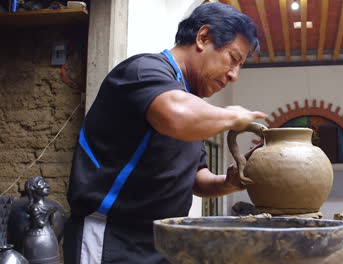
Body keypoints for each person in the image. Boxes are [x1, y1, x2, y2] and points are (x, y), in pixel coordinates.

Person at [63, 2, 266, 264]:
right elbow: (176, 114)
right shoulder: (144, 71)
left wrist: (230, 182)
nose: (234, 75)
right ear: (203, 38)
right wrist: (233, 116)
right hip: (113, 238)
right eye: (233, 59)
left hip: (165, 241)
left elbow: (195, 178)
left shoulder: (189, 102)